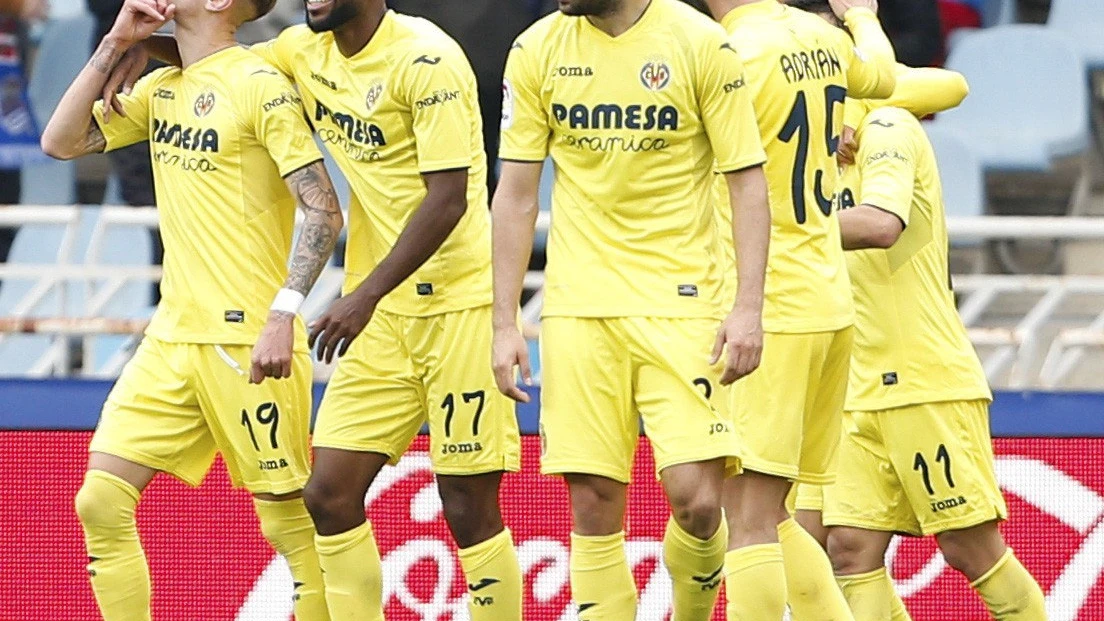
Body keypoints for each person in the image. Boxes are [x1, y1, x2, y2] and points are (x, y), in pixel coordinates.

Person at [106, 0, 524, 617]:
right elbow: (223, 62)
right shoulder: (303, 50)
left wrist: (362, 296)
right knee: (327, 496)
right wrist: (146, 47)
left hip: (457, 309)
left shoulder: (426, 58)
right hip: (379, 319)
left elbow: (450, 200)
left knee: (466, 504)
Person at [40, 0, 344, 617]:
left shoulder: (261, 87)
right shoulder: (161, 88)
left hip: (249, 341)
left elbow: (323, 209)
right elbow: (61, 141)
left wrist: (283, 315)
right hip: (172, 337)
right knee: (99, 500)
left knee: (290, 528)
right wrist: (115, 44)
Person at [492, 0, 771, 619]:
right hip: (579, 307)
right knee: (593, 501)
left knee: (699, 502)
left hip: (683, 303)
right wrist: (504, 322)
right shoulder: (536, 48)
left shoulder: (701, 44)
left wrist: (748, 307)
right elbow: (513, 194)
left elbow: (747, 181)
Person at [699, 0, 896, 618]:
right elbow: (884, 79)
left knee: (749, 517)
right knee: (775, 513)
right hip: (825, 300)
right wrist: (862, 16)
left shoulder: (729, 54)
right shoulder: (818, 35)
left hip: (764, 302)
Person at [821, 92, 1049, 620]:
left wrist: (779, 233)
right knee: (848, 548)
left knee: (968, 547)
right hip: (854, 384)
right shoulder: (810, 148)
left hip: (923, 379)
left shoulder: (888, 126)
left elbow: (881, 224)